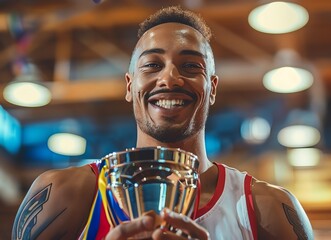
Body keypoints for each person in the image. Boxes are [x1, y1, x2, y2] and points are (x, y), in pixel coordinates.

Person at [12, 6, 313, 240]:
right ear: (130, 86)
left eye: (191, 66)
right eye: (153, 65)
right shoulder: (66, 195)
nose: (169, 78)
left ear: (213, 88)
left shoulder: (266, 208)